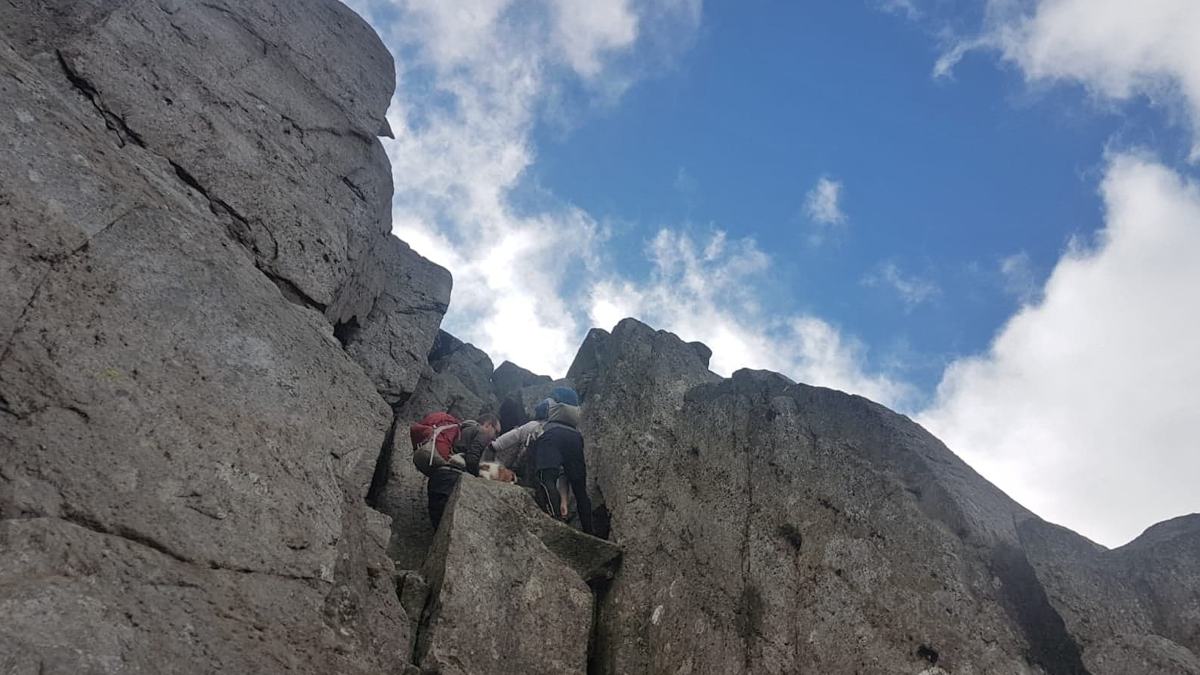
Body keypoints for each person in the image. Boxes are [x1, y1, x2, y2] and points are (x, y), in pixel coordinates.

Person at [530, 391, 593, 535]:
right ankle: (589, 531)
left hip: (552, 434)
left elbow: (539, 411)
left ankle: (556, 522)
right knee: (580, 490)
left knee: (546, 478)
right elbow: (565, 473)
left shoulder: (550, 399)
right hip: (575, 437)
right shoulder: (574, 402)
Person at [426, 412, 501, 530]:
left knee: (438, 525)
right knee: (449, 529)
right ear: (487, 425)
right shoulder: (481, 432)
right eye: (496, 431)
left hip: (438, 476)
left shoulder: (461, 430)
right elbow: (472, 460)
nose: (495, 437)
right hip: (452, 480)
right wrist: (481, 479)